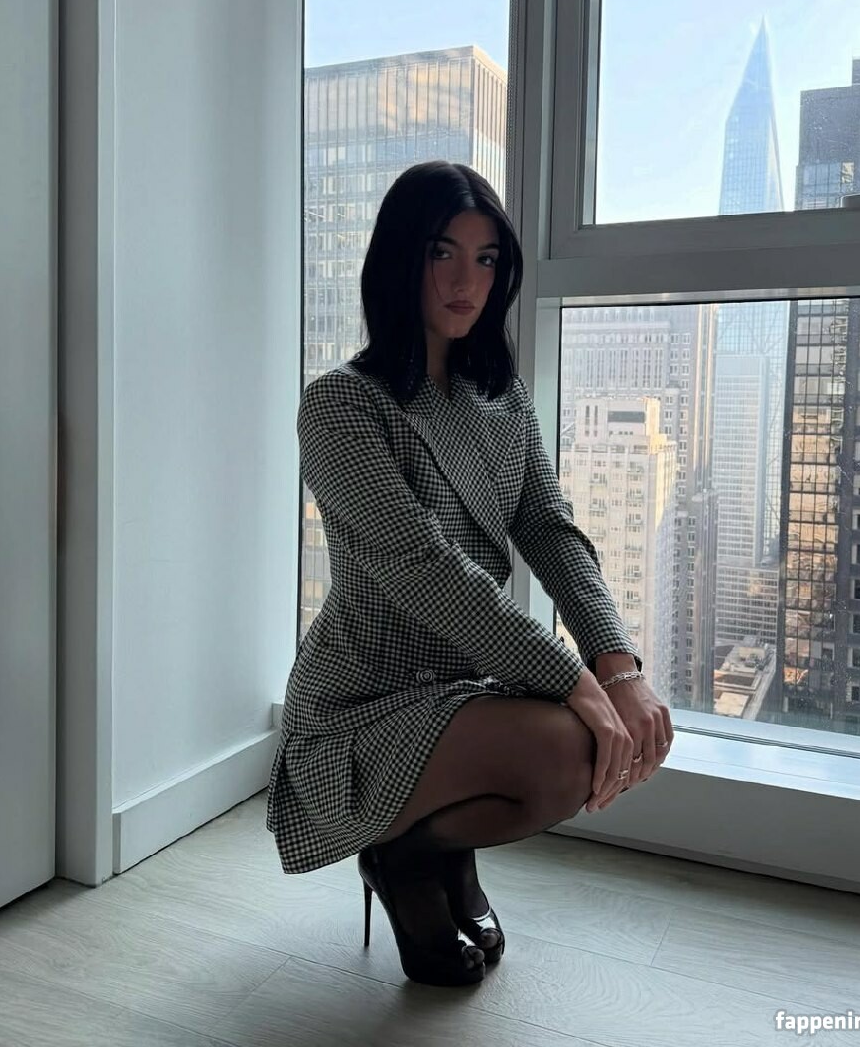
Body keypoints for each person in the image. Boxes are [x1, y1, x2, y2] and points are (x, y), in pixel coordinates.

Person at [266, 160, 674, 987]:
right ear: (399, 259)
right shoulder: (340, 405)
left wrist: (618, 666)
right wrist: (576, 684)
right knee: (568, 750)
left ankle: (428, 852)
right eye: (442, 253)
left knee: (584, 741)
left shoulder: (502, 398)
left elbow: (551, 531)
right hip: (364, 699)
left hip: (462, 684)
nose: (466, 282)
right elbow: (427, 570)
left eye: (486, 259)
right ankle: (401, 856)